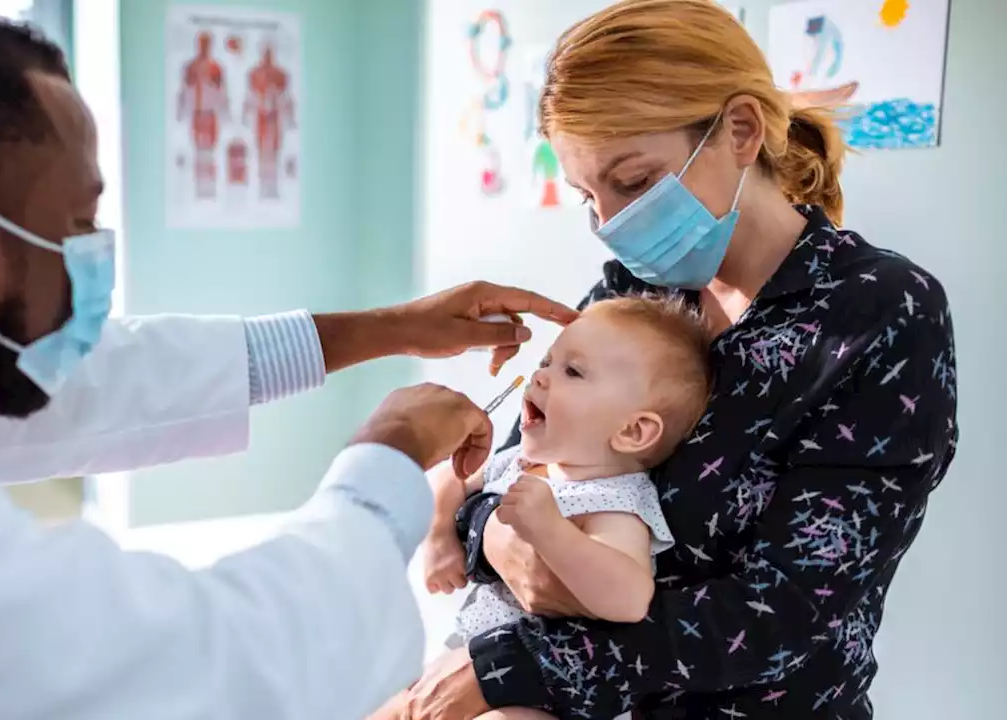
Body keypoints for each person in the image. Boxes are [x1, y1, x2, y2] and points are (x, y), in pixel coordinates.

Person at [0, 4, 580, 719]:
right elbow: (172, 666)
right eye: (76, 225)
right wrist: (386, 463)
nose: (94, 263)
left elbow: (93, 382)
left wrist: (390, 329)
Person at [379, 0, 958, 718]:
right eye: (590, 196)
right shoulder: (641, 289)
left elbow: (790, 613)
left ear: (741, 131)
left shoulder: (877, 313)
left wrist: (513, 665)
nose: (613, 225)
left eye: (635, 182)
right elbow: (518, 463)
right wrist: (501, 539)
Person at [385, 296, 710, 720]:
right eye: (547, 361)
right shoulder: (521, 459)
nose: (540, 376)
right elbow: (451, 478)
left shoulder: (616, 502)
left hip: (546, 699)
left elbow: (629, 598)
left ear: (633, 430)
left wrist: (550, 531)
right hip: (467, 657)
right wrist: (440, 540)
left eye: (572, 372)